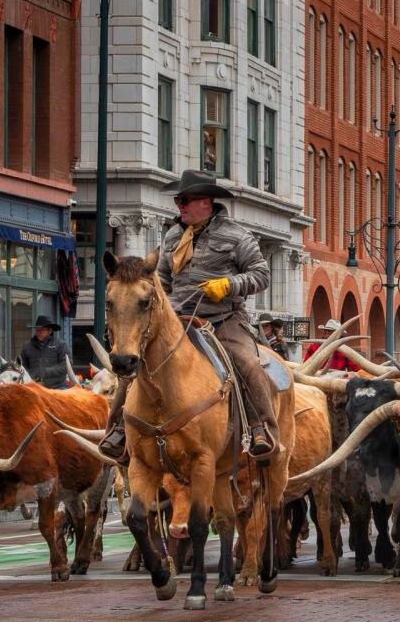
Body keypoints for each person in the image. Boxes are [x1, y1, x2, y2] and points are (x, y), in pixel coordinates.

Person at [103, 169, 281, 460]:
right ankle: (117, 431)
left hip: (224, 319)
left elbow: (262, 275)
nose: (179, 205)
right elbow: (161, 280)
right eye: (178, 200)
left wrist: (228, 285)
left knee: (247, 363)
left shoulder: (238, 236)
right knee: (135, 360)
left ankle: (261, 428)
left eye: (185, 200)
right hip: (177, 319)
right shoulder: (173, 236)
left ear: (206, 202)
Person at [20, 315, 71, 389]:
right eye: (37, 330)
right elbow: (22, 366)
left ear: (50, 331)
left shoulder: (61, 345)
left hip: (58, 387)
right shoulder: (27, 346)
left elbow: (66, 366)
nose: (38, 332)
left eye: (42, 330)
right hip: (35, 387)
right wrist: (32, 375)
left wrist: (45, 371)